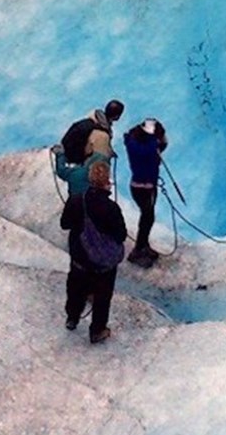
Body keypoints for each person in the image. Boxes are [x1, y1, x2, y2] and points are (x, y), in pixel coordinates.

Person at [66, 163, 128, 344]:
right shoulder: (111, 208)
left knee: (76, 288)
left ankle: (72, 318)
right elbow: (121, 235)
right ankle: (97, 330)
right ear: (107, 181)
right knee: (103, 296)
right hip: (103, 263)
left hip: (79, 257)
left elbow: (65, 223)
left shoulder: (76, 200)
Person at [122, 118, 167, 266]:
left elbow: (161, 145)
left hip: (145, 186)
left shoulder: (135, 142)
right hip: (143, 187)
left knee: (148, 216)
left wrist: (156, 141)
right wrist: (156, 141)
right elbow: (147, 151)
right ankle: (138, 249)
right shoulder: (142, 147)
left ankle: (143, 245)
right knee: (147, 217)